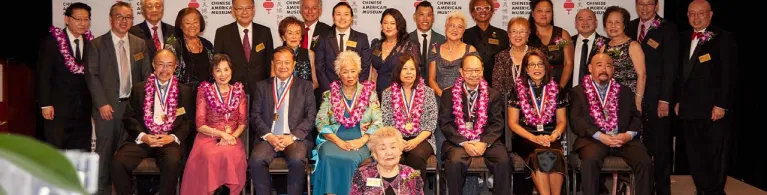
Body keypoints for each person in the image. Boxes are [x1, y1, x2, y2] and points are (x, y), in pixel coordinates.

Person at [85, 2, 152, 193]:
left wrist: (143, 107)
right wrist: (102, 104)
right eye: (120, 17)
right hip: (107, 110)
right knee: (104, 157)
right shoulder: (96, 44)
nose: (124, 21)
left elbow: (146, 77)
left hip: (132, 112)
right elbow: (92, 75)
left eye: (128, 17)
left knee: (127, 157)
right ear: (111, 18)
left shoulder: (140, 44)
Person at [676, 1, 737, 194]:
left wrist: (721, 105)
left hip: (713, 109)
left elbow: (729, 75)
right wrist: (677, 100)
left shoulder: (724, 38)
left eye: (700, 13)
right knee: (695, 154)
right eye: (692, 13)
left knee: (715, 154)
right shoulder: (682, 38)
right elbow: (678, 73)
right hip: (688, 108)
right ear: (687, 15)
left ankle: (715, 191)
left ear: (710, 14)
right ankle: (702, 189)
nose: (696, 17)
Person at [570, 53, 653, 195]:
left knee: (645, 162)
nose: (604, 69)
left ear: (613, 70)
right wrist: (600, 136)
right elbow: (576, 121)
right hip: (594, 140)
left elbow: (636, 117)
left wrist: (628, 135)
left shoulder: (625, 91)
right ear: (590, 68)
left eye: (608, 66)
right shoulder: (578, 92)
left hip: (623, 139)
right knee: (590, 161)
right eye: (599, 65)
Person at [112, 49, 192, 195]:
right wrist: (143, 136)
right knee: (118, 162)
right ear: (154, 65)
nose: (165, 69)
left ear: (175, 67)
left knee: (172, 161)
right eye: (161, 64)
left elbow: (188, 123)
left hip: (169, 141)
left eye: (169, 65)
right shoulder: (139, 88)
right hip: (144, 139)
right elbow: (129, 117)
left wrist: (172, 137)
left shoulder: (185, 91)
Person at [626, 1, 678, 194]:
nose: (645, 8)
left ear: (656, 6)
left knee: (661, 145)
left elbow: (671, 67)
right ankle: (642, 188)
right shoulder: (629, 26)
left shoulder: (668, 29)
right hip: (632, 97)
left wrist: (665, 99)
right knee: (638, 145)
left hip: (657, 98)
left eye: (649, 4)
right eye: (641, 4)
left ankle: (662, 189)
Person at [313, 50, 382, 195]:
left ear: (358, 72)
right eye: (345, 72)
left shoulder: (370, 94)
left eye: (353, 71)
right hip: (334, 140)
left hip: (361, 141)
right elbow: (320, 122)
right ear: (339, 74)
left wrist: (361, 141)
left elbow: (377, 122)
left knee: (351, 159)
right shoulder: (329, 94)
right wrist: (339, 142)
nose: (350, 76)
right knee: (328, 156)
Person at [250, 46, 317, 195]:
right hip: (268, 137)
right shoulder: (262, 86)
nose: (283, 66)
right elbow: (255, 115)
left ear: (294, 64)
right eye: (278, 62)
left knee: (297, 160)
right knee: (256, 160)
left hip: (295, 138)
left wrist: (291, 137)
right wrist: (269, 136)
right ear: (273, 63)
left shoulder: (305, 87)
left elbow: (311, 117)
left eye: (287, 62)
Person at [440, 54, 510, 195]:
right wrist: (464, 143)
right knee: (454, 162)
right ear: (461, 72)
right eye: (469, 70)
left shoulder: (493, 95)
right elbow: (445, 123)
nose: (473, 74)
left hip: (486, 140)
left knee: (503, 161)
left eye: (477, 70)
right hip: (458, 141)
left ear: (483, 71)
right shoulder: (448, 94)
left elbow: (497, 123)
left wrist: (484, 143)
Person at [180, 54, 248, 194]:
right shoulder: (204, 91)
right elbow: (200, 125)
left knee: (231, 154)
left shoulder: (238, 91)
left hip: (232, 138)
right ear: (212, 72)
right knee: (210, 156)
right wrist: (222, 134)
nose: (223, 74)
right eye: (218, 70)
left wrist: (231, 137)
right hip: (208, 137)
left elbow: (242, 123)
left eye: (226, 69)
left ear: (231, 71)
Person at [508, 50, 567, 195]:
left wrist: (554, 136)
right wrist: (534, 138)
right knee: (539, 154)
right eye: (532, 65)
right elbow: (513, 123)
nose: (536, 68)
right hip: (525, 137)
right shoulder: (517, 89)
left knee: (554, 153)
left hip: (550, 136)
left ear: (546, 67)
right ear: (526, 69)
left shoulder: (557, 89)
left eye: (540, 64)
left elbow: (562, 121)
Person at [37, 2, 94, 151]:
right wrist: (45, 104)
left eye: (86, 19)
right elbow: (43, 74)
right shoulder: (52, 42)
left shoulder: (91, 44)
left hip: (83, 110)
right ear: (67, 19)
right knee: (57, 151)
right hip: (57, 110)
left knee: (81, 152)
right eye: (78, 19)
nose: (83, 23)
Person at [381, 55, 438, 182]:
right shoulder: (387, 93)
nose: (408, 72)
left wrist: (415, 141)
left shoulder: (428, 92)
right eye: (404, 69)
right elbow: (387, 122)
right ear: (398, 71)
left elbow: (431, 123)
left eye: (412, 69)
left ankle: (414, 190)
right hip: (395, 138)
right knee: (394, 156)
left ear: (417, 71)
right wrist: (399, 141)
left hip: (422, 139)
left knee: (416, 156)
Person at [214, 0, 274, 93]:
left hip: (260, 91)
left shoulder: (265, 32)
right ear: (233, 11)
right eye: (240, 9)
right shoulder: (222, 33)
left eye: (248, 8)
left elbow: (269, 63)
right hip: (232, 91)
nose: (244, 12)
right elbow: (217, 64)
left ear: (253, 9)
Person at [315, 2, 372, 92]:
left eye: (346, 14)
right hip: (330, 91)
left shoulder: (362, 38)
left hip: (355, 92)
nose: (342, 18)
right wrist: (329, 91)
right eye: (338, 14)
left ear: (351, 18)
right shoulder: (324, 38)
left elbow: (365, 67)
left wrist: (355, 89)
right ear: (333, 18)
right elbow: (319, 67)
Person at [349, 127, 425, 195]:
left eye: (393, 147)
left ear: (400, 150)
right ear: (375, 154)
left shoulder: (411, 174)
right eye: (383, 148)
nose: (389, 152)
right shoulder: (362, 174)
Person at [600, 6, 647, 112]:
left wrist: (638, 102)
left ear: (624, 25)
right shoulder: (604, 47)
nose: (613, 26)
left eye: (617, 22)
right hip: (608, 101)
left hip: (629, 100)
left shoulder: (633, 46)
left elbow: (642, 75)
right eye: (609, 22)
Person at [371, 8, 420, 95]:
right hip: (378, 93)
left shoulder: (408, 46)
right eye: (385, 23)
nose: (388, 26)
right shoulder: (376, 45)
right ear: (381, 25)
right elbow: (373, 72)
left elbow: (414, 73)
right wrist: (372, 93)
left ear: (399, 25)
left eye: (392, 23)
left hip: (399, 95)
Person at [427, 11, 477, 96]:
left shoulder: (470, 50)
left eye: (459, 27)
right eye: (451, 25)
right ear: (445, 27)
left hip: (463, 99)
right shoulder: (435, 50)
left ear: (463, 31)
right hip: (440, 99)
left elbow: (475, 77)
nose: (455, 29)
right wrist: (444, 96)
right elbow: (431, 80)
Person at [528, 0, 574, 88]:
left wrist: (560, 88)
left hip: (559, 86)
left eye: (548, 11)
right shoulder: (526, 34)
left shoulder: (562, 35)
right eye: (540, 11)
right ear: (533, 13)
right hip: (532, 88)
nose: (544, 14)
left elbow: (569, 63)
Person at [463, 0, 509, 86]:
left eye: (486, 8)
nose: (483, 11)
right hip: (472, 82)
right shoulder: (465, 35)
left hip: (497, 84)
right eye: (478, 8)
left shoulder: (502, 34)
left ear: (491, 11)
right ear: (472, 13)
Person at [168, 7, 213, 89]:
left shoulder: (208, 45)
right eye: (187, 23)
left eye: (195, 22)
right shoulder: (174, 47)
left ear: (200, 24)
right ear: (181, 26)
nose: (192, 26)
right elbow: (169, 75)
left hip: (207, 96)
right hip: (183, 96)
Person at [492, 17, 531, 96]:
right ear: (509, 34)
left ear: (528, 35)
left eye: (522, 31)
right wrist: (510, 103)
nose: (518, 35)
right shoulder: (501, 56)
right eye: (514, 31)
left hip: (533, 103)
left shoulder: (535, 55)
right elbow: (497, 85)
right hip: (507, 104)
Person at [570, 9, 608, 88]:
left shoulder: (607, 43)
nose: (585, 22)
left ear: (596, 23)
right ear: (575, 24)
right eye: (581, 19)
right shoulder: (568, 43)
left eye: (589, 19)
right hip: (570, 95)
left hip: (597, 93)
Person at [277, 16, 318, 88]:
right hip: (283, 96)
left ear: (301, 37)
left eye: (297, 33)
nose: (294, 36)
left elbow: (315, 82)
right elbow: (273, 81)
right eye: (290, 33)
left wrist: (303, 92)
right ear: (283, 37)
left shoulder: (310, 54)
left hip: (305, 96)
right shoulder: (277, 55)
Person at [409, 1, 445, 77]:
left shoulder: (442, 40)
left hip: (435, 86)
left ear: (433, 18)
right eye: (421, 15)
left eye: (429, 15)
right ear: (414, 17)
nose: (425, 19)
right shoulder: (406, 39)